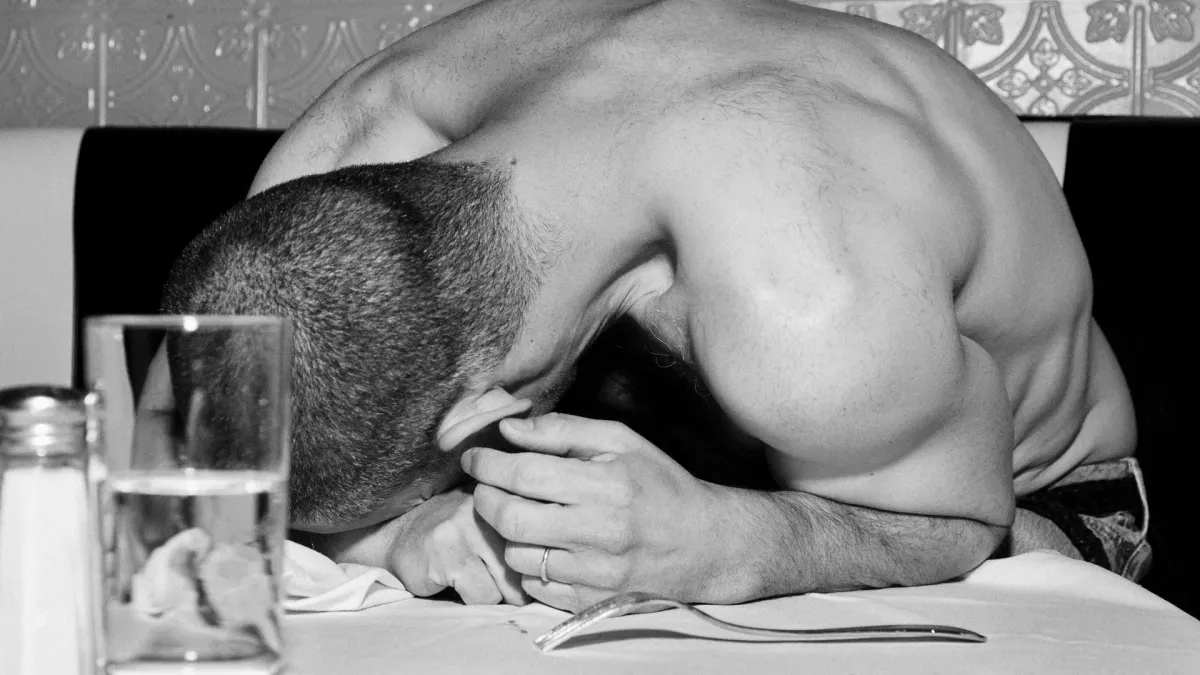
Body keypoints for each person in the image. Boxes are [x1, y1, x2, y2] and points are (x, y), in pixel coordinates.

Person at [156, 0, 1148, 612]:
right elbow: (182, 457)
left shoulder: (810, 300)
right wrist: (390, 537)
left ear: (485, 417)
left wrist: (725, 546)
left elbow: (959, 523)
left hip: (1002, 495)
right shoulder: (347, 145)